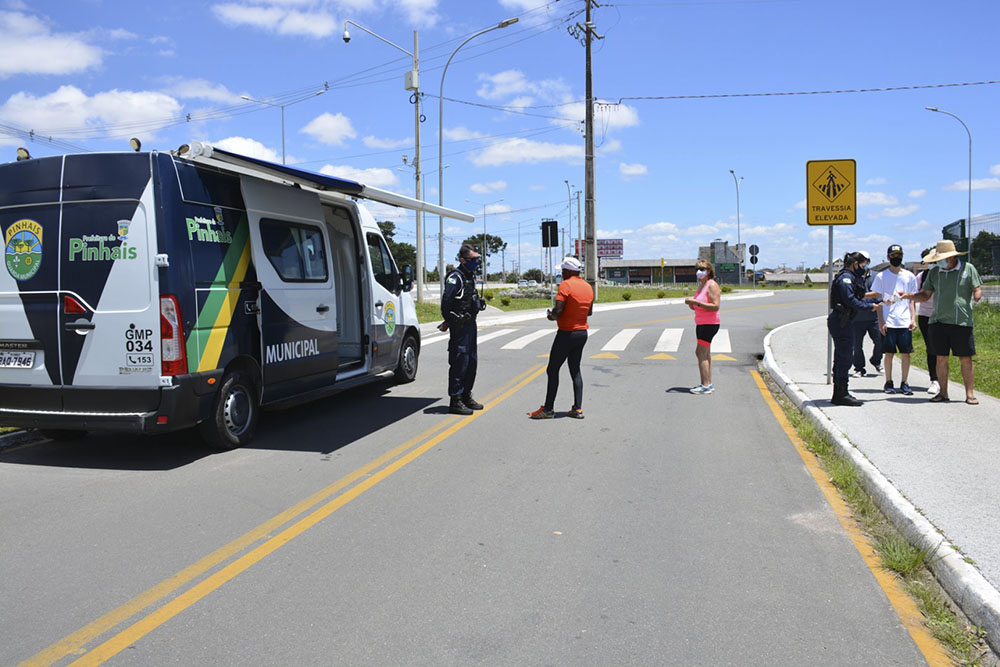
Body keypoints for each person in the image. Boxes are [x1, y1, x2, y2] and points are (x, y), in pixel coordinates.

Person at [902, 239, 983, 404]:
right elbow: (925, 295)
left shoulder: (968, 269)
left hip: (961, 322)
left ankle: (970, 394)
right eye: (938, 259)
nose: (941, 261)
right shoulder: (934, 273)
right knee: (941, 358)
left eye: (943, 258)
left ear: (952, 257)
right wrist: (909, 296)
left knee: (965, 358)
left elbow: (977, 287)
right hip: (937, 321)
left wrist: (977, 295)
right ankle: (943, 393)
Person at [529, 256, 594, 419]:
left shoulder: (566, 285)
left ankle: (548, 409)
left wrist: (551, 316)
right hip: (582, 333)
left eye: (563, 270)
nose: (562, 273)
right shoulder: (588, 287)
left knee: (552, 369)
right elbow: (590, 312)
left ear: (568, 270)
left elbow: (558, 310)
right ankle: (577, 408)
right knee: (575, 370)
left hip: (566, 333)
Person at [828, 252, 881, 406]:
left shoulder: (852, 278)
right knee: (844, 358)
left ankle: (840, 392)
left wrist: (880, 301)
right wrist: (870, 307)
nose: (864, 268)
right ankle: (841, 394)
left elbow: (859, 295)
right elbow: (850, 300)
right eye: (863, 265)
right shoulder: (845, 278)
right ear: (855, 263)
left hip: (845, 320)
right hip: (841, 321)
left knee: (842, 357)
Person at [441, 245, 488, 415]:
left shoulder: (469, 277)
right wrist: (453, 319)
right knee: (460, 362)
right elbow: (446, 303)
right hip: (460, 327)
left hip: (471, 325)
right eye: (473, 259)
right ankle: (456, 399)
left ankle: (466, 395)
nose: (476, 262)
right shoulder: (456, 277)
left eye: (477, 259)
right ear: (463, 260)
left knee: (471, 362)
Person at [871, 244, 918, 396]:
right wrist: (881, 322)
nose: (896, 258)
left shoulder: (909, 276)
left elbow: (912, 299)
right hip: (889, 321)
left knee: (906, 353)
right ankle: (888, 381)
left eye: (899, 256)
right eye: (893, 256)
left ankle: (904, 382)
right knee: (889, 353)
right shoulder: (881, 276)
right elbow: (878, 301)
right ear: (888, 257)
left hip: (904, 321)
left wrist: (913, 319)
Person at [683, 259, 721, 394]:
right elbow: (696, 306)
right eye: (698, 269)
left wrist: (696, 303)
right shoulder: (701, 285)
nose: (699, 272)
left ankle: (705, 385)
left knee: (700, 353)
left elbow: (715, 306)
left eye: (702, 270)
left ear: (709, 271)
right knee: (704, 353)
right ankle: (708, 383)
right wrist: (691, 303)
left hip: (709, 324)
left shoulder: (712, 285)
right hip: (701, 323)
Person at [852, 250, 883, 377]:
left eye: (865, 262)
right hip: (857, 317)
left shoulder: (877, 276)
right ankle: (859, 368)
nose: (863, 265)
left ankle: (876, 361)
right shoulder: (853, 277)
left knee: (880, 341)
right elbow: (853, 297)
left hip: (873, 316)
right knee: (857, 345)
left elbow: (880, 294)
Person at [915, 260, 939, 395]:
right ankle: (934, 379)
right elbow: (915, 295)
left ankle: (942, 378)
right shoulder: (922, 276)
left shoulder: (945, 275)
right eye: (932, 262)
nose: (934, 264)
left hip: (943, 315)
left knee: (943, 349)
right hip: (926, 316)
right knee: (931, 348)